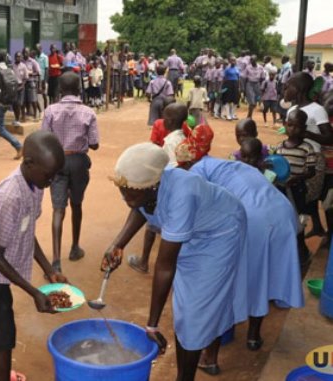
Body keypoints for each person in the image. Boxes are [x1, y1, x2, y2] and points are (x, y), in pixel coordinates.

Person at [103, 142, 246, 381]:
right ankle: (202, 355)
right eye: (122, 190)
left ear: (153, 186)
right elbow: (140, 207)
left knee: (194, 310)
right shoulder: (146, 188)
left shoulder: (182, 194)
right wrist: (118, 244)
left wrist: (151, 325)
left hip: (220, 234)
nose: (125, 196)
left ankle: (187, 375)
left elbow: (165, 266)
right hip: (195, 230)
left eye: (131, 191)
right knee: (191, 303)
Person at [175, 129, 304, 375]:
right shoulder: (225, 164)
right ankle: (253, 337)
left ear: (187, 162)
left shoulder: (196, 173)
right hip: (282, 212)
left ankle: (210, 357)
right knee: (263, 274)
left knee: (221, 284)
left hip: (254, 218)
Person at [0, 131, 67, 381]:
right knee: (3, 336)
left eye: (54, 176)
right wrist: (35, 292)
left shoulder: (36, 183)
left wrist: (49, 270)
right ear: (29, 164)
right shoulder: (11, 196)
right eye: (48, 175)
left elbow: (28, 230)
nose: (51, 181)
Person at [41, 72, 99, 273]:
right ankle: (75, 247)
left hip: (57, 161)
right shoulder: (88, 112)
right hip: (78, 161)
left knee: (58, 209)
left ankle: (56, 261)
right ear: (79, 89)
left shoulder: (50, 111)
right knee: (77, 204)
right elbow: (95, 144)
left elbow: (44, 140)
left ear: (59, 90)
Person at [128, 103, 188, 273]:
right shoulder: (183, 137)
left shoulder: (170, 142)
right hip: (178, 190)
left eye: (165, 116)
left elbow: (171, 168)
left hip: (168, 190)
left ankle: (144, 262)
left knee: (151, 227)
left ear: (169, 120)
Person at [284, 73, 333, 238]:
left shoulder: (317, 110)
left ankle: (299, 238)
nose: (285, 89)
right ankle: (317, 227)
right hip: (295, 156)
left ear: (298, 89)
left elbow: (330, 137)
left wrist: (307, 135)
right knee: (298, 194)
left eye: (288, 86)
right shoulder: (291, 110)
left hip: (312, 160)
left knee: (302, 197)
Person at [273, 109, 318, 216]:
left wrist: (297, 178)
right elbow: (274, 166)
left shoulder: (307, 148)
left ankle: (298, 232)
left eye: (297, 126)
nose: (292, 129)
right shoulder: (279, 147)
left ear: (304, 128)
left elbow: (312, 172)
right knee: (281, 212)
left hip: (297, 188)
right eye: (290, 125)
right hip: (280, 187)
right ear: (285, 125)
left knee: (297, 214)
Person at [24, 48, 42, 120]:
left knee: (34, 99)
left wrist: (32, 74)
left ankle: (37, 113)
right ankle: (28, 113)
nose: (25, 53)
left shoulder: (33, 62)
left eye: (26, 52)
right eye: (24, 52)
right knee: (26, 100)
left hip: (32, 82)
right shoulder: (22, 61)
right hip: (24, 82)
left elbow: (38, 73)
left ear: (29, 53)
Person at [222, 57, 240, 121]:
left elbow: (238, 77)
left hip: (235, 84)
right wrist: (223, 87)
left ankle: (232, 114)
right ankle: (228, 115)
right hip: (228, 84)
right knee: (227, 100)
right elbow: (224, 78)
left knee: (235, 100)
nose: (233, 62)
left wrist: (239, 86)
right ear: (229, 61)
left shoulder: (237, 69)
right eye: (232, 61)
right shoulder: (227, 69)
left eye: (234, 60)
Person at [12, 51, 28, 126]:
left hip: (21, 86)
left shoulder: (24, 66)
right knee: (14, 103)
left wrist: (22, 86)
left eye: (19, 56)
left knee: (19, 103)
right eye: (16, 56)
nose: (18, 58)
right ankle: (16, 118)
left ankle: (19, 118)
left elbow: (25, 78)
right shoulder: (12, 66)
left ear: (21, 57)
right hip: (14, 87)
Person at [35, 44, 49, 109]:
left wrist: (45, 81)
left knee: (44, 95)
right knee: (35, 95)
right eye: (36, 48)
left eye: (37, 48)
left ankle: (46, 109)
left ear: (40, 49)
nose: (36, 50)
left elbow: (46, 69)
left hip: (43, 79)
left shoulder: (45, 57)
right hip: (37, 79)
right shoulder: (35, 57)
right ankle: (40, 110)